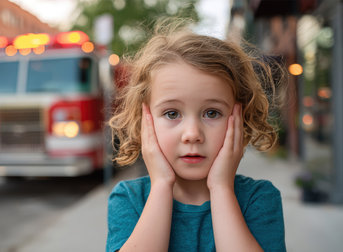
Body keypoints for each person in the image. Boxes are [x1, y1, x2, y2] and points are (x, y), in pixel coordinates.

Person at [106, 20, 286, 252]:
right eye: (172, 113)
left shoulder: (259, 199)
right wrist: (161, 186)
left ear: (241, 118)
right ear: (145, 121)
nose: (192, 134)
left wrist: (221, 188)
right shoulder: (129, 199)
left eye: (212, 113)